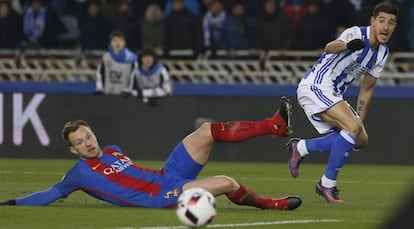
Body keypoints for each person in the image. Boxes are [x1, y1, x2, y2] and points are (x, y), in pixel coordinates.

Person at [0, 97, 302, 210]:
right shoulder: (79, 174)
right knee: (225, 182)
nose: (88, 142)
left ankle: (273, 125)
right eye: (80, 142)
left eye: (89, 135)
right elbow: (49, 195)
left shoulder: (113, 151)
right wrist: (11, 202)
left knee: (206, 131)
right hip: (163, 195)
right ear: (73, 149)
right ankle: (271, 204)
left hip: (167, 175)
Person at [287, 2, 398, 203]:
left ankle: (302, 147)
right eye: (382, 21)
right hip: (316, 86)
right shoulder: (356, 33)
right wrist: (347, 45)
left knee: (361, 139)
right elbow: (330, 47)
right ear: (373, 22)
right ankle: (327, 184)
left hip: (335, 95)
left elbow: (367, 89)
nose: (386, 27)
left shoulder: (382, 53)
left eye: (391, 23)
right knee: (353, 130)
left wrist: (358, 123)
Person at [94, 30, 137, 95]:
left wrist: (129, 90)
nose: (117, 43)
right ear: (110, 43)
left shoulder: (131, 58)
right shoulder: (106, 57)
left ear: (124, 43)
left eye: (120, 40)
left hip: (125, 97)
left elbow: (134, 76)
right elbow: (99, 74)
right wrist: (100, 88)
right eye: (114, 40)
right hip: (108, 95)